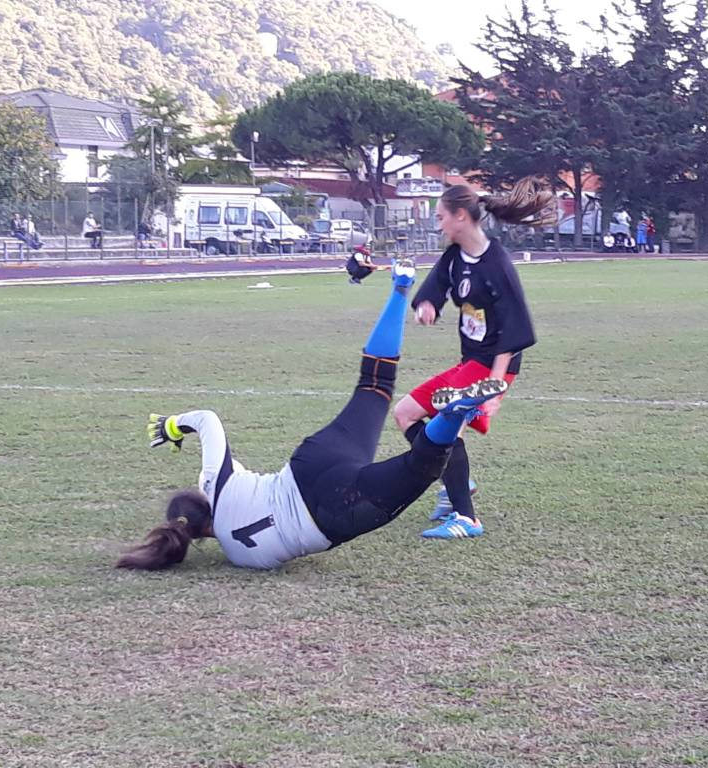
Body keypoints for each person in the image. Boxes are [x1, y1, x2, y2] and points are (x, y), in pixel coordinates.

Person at [117, 260, 509, 571]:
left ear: (199, 537)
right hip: (311, 463)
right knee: (374, 385)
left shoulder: (242, 557)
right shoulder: (216, 484)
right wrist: (172, 427)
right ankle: (400, 290)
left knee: (420, 467)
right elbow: (207, 420)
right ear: (202, 498)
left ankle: (454, 412)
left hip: (332, 514)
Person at [392, 178, 551, 540]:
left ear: (461, 216)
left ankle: (466, 516)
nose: (438, 224)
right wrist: (427, 305)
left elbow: (513, 332)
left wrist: (493, 391)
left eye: (441, 216)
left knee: (445, 427)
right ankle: (456, 483)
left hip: (493, 366)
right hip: (471, 364)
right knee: (405, 413)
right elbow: (435, 289)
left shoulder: (498, 264)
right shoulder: (454, 256)